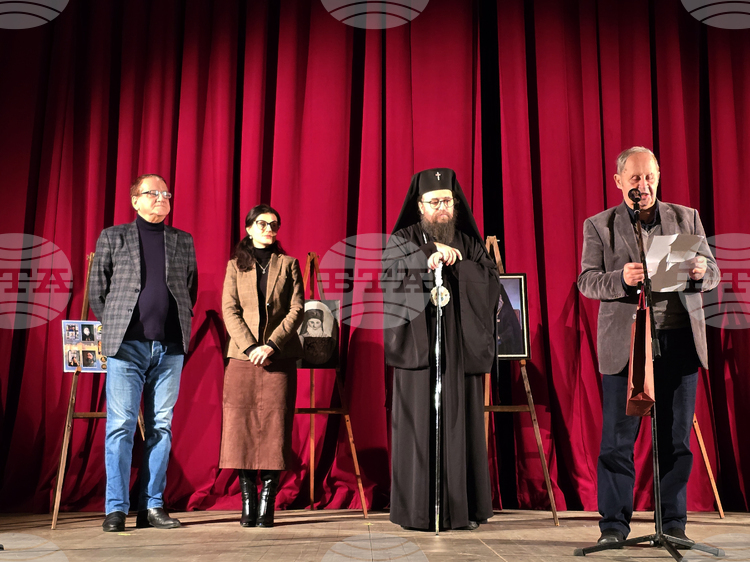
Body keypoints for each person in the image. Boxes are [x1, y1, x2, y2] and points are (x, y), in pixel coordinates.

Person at [577, 147, 720, 545]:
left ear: (658, 177)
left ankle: (672, 524)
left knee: (676, 440)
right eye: (635, 178)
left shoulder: (686, 217)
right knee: (617, 442)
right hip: (627, 346)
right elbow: (586, 281)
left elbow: (713, 272)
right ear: (619, 181)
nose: (644, 185)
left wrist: (701, 271)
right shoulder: (600, 225)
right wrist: (620, 278)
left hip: (678, 342)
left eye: (649, 177)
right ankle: (613, 526)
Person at [382, 168, 500, 531]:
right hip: (418, 352)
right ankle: (416, 511)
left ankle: (461, 510)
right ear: (419, 206)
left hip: (458, 350)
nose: (441, 208)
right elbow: (388, 281)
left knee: (460, 426)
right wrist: (425, 257)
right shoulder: (402, 239)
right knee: (418, 428)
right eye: (433, 202)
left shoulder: (467, 242)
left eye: (447, 201)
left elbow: (491, 282)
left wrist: (459, 264)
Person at [90, 174, 198, 532]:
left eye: (166, 193)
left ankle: (152, 506)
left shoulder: (182, 240)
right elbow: (97, 290)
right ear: (135, 200)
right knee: (120, 426)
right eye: (153, 193)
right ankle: (116, 509)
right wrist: (118, 325)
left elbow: (190, 288)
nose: (161, 198)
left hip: (169, 348)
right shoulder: (113, 236)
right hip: (126, 347)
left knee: (161, 427)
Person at [220, 204, 304, 528]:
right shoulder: (234, 266)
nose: (269, 229)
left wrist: (272, 344)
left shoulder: (289, 263)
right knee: (240, 427)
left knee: (275, 427)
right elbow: (230, 309)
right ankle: (248, 499)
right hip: (243, 358)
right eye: (262, 223)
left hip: (278, 357)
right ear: (249, 228)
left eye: (274, 224)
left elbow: (297, 308)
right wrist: (251, 346)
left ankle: (268, 498)